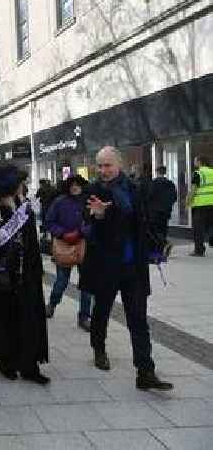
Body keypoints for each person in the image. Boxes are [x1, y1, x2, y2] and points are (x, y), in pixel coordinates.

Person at [81, 146, 173, 391]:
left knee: (138, 319)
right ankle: (99, 349)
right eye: (99, 165)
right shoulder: (93, 190)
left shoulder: (135, 189)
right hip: (106, 265)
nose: (103, 170)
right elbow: (86, 224)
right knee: (101, 311)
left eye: (107, 165)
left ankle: (145, 371)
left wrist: (156, 243)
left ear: (119, 164)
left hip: (134, 266)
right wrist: (97, 217)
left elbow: (145, 220)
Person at [0, 165, 50, 384]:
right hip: (0, 277)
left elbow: (31, 241)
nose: (21, 186)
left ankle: (29, 365)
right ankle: (6, 362)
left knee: (28, 320)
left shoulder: (23, 205)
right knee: (4, 320)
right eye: (17, 183)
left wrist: (36, 269)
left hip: (25, 274)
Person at [44, 175, 93, 331]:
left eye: (77, 184)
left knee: (87, 283)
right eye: (71, 184)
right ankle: (52, 304)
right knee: (61, 281)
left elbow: (95, 221)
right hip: (64, 245)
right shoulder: (60, 202)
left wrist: (82, 232)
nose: (74, 187)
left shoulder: (88, 201)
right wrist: (62, 233)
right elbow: (49, 221)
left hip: (84, 245)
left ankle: (84, 316)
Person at [148, 166, 177, 256]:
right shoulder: (170, 183)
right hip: (166, 211)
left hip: (155, 211)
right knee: (163, 229)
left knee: (155, 230)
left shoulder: (154, 183)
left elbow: (149, 196)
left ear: (157, 172)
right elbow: (174, 197)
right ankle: (162, 249)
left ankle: (164, 244)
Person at [187, 156, 213, 257]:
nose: (194, 162)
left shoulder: (198, 173)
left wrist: (188, 202)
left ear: (199, 162)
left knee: (198, 229)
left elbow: (193, 190)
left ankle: (199, 250)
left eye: (195, 161)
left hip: (201, 205)